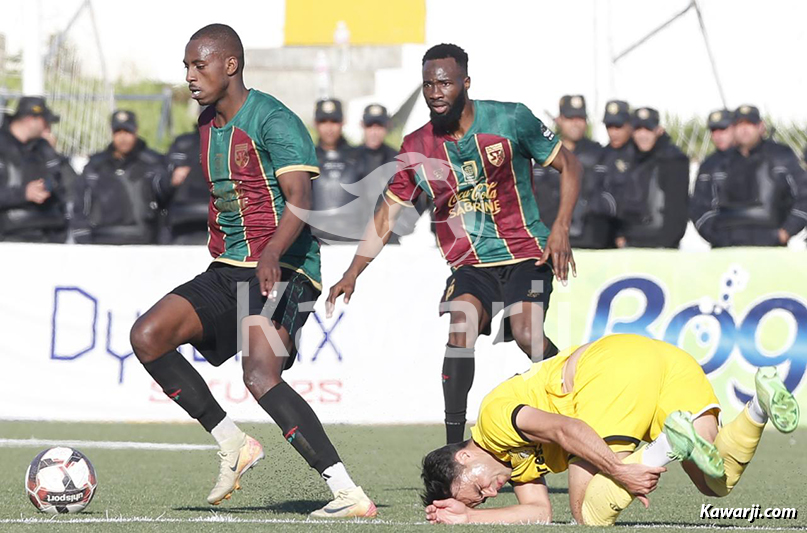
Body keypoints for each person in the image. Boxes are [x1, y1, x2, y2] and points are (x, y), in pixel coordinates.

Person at [128, 24, 375, 518]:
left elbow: (301, 200)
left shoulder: (274, 119)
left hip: (287, 266)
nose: (190, 75)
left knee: (260, 374)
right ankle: (233, 443)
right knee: (147, 336)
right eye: (187, 66)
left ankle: (348, 492)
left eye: (199, 65)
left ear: (230, 65)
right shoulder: (206, 123)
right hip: (230, 267)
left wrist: (271, 252)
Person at [327, 43, 581, 445]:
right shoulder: (416, 146)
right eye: (428, 84)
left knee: (527, 332)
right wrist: (352, 272)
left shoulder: (511, 119)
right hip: (469, 264)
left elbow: (570, 165)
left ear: (466, 82)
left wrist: (561, 226)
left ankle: (575, 402)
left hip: (525, 254)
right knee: (460, 327)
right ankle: (452, 448)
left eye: (444, 83)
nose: (435, 92)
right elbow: (387, 215)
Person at [421, 334, 800, 526]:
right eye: (484, 499)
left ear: (464, 455)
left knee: (588, 515)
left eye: (478, 488)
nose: (491, 492)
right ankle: (759, 405)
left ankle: (666, 444)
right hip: (664, 361)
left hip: (610, 370)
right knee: (716, 480)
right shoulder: (512, 464)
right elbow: (538, 512)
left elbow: (566, 428)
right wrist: (468, 517)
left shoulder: (492, 422)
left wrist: (620, 470)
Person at [691, 105, 807, 246]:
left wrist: (785, 233)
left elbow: (803, 196)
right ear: (733, 128)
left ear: (761, 126)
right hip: (726, 249)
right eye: (739, 124)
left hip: (772, 248)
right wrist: (717, 238)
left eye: (750, 124)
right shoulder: (715, 163)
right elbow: (699, 207)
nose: (744, 129)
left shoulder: (781, 156)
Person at [73, 110, 166, 244]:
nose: (123, 137)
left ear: (136, 131)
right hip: (102, 238)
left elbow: (164, 200)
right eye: (118, 132)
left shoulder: (152, 163)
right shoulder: (96, 165)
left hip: (143, 240)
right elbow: (80, 202)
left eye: (127, 131)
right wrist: (82, 236)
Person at [532, 95, 612, 248]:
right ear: (559, 120)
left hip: (593, 242)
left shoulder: (599, 154)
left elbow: (610, 197)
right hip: (552, 240)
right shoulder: (545, 153)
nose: (576, 123)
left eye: (580, 118)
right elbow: (536, 197)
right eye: (570, 118)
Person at [614, 107, 689, 248]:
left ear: (658, 130)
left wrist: (665, 246)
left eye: (648, 129)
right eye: (638, 129)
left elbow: (677, 214)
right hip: (630, 245)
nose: (643, 135)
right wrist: (620, 235)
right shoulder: (627, 159)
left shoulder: (673, 160)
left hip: (661, 246)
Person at [0, 96, 69, 242]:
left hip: (50, 235)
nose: (48, 128)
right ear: (31, 119)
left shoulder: (44, 148)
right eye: (45, 122)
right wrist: (24, 193)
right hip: (11, 238)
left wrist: (49, 185)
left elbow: (66, 185)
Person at [310, 98, 366, 243]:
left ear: (343, 122)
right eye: (323, 122)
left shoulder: (361, 157)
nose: (329, 128)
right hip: (316, 240)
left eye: (334, 121)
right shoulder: (306, 158)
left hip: (353, 239)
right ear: (315, 123)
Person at [155, 126, 210, 244]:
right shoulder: (182, 145)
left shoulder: (234, 143)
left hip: (222, 221)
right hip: (182, 224)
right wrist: (171, 180)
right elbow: (158, 190)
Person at [690, 109, 736, 246]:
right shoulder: (708, 166)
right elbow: (698, 208)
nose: (717, 135)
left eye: (723, 129)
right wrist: (717, 236)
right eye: (713, 130)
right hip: (722, 246)